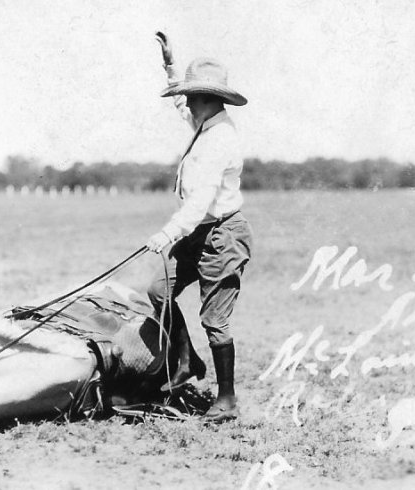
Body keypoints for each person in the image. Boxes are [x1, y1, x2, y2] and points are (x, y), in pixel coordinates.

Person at [145, 32, 253, 422]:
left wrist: (167, 234)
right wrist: (171, 66)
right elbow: (178, 103)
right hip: (197, 232)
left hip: (222, 234)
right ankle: (186, 362)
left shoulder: (219, 140)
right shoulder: (204, 122)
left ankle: (227, 400)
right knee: (159, 291)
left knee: (215, 319)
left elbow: (199, 202)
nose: (186, 101)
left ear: (209, 99)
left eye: (193, 95)